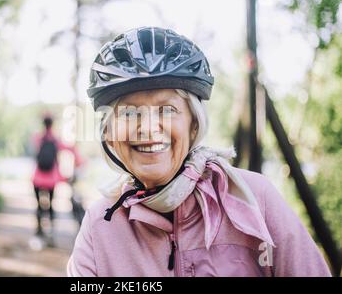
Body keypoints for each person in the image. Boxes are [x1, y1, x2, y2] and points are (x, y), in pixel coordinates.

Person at [67, 26, 331, 276]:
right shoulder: (100, 226)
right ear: (109, 134)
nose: (147, 128)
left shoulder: (255, 198)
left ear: (194, 124)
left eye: (167, 110)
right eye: (128, 112)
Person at [32, 113, 82, 237]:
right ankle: (51, 231)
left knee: (39, 205)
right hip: (51, 179)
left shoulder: (38, 138)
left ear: (43, 124)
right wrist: (79, 162)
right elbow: (70, 149)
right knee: (51, 204)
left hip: (38, 177)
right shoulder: (56, 139)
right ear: (52, 124)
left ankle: (39, 230)